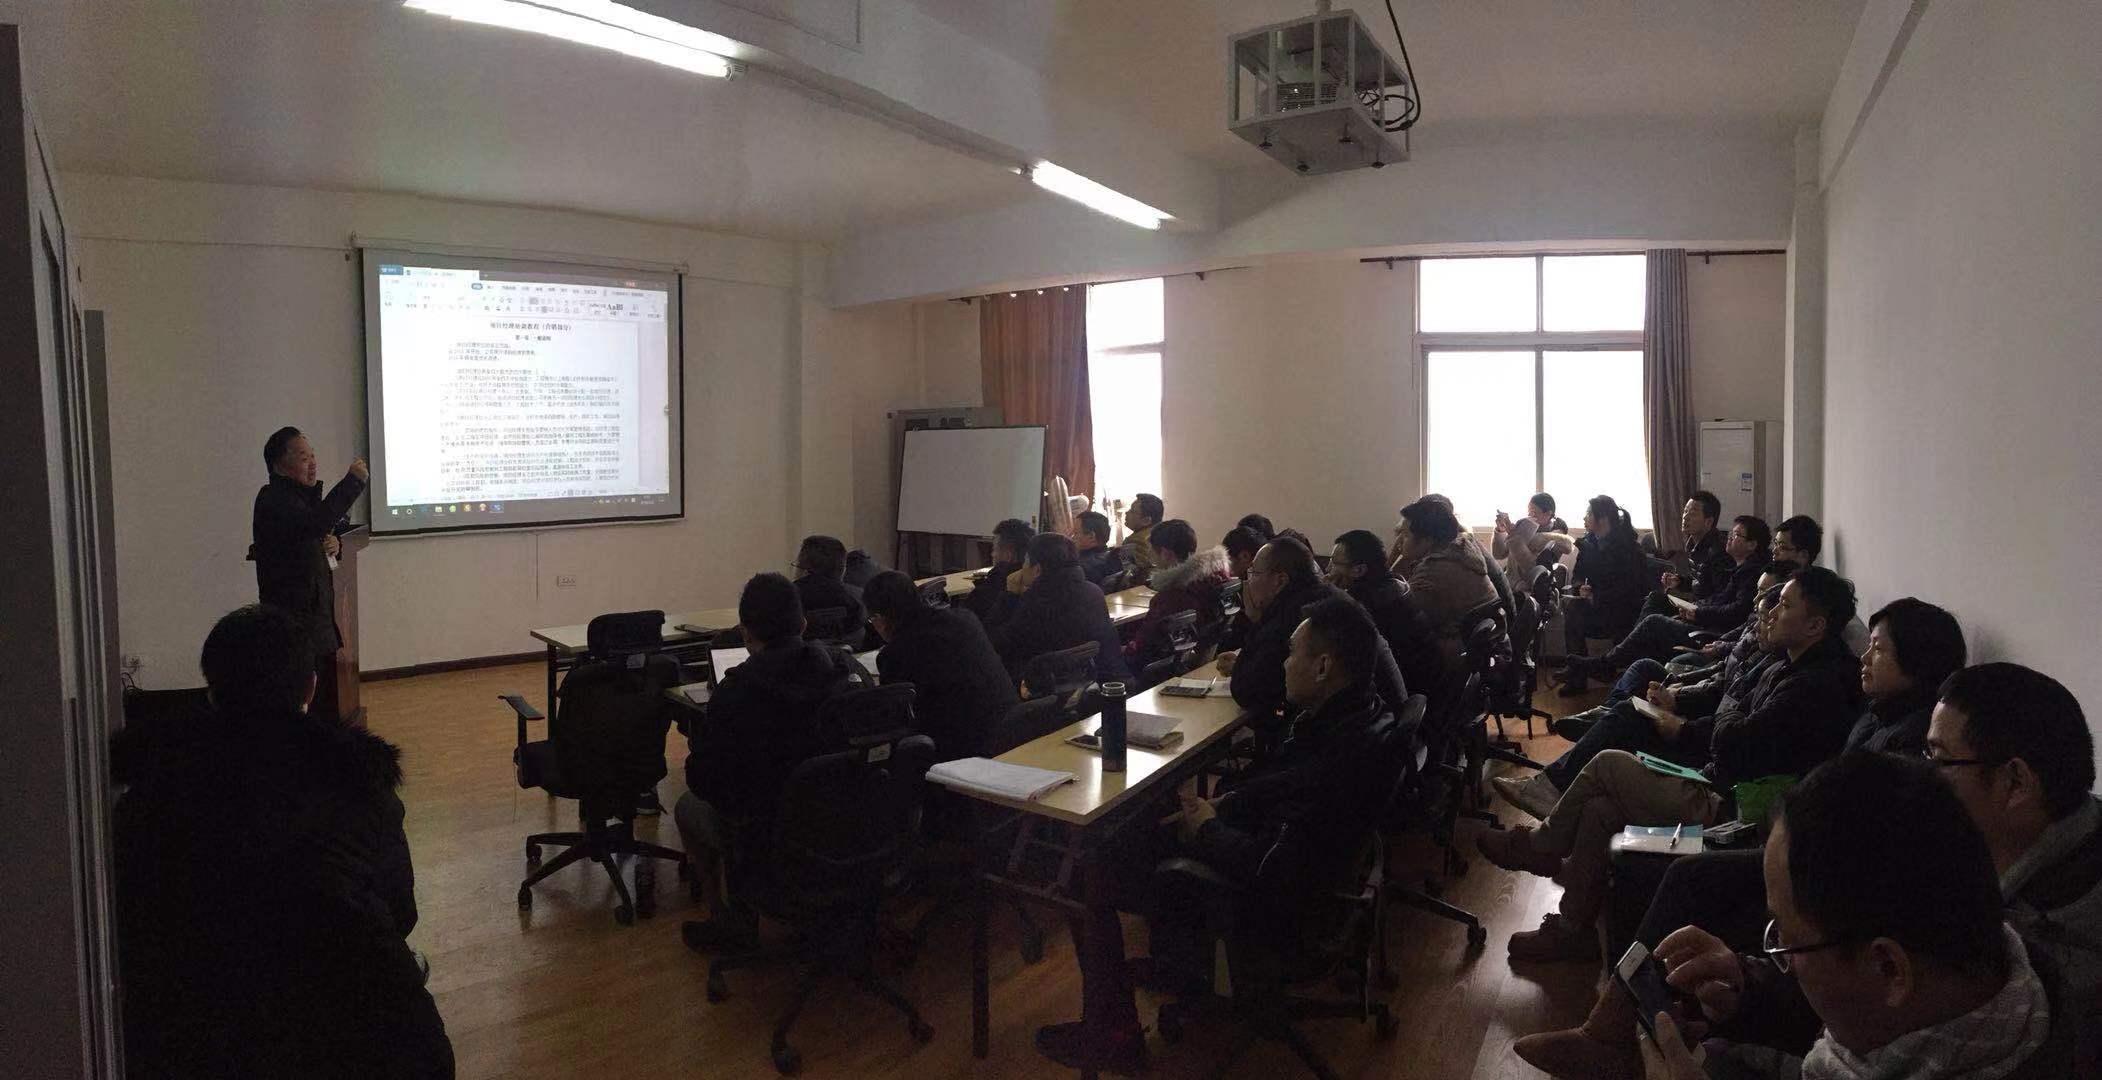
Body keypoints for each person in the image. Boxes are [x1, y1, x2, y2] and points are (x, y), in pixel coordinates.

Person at [1514, 658, 2098, 1080]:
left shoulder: (2068, 962)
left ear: (2015, 782)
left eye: (1939, 759)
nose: (1926, 773)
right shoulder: (1986, 873)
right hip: (1776, 821)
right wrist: (1749, 992)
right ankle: (1582, 949)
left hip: (1745, 809)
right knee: (1612, 821)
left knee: (1643, 814)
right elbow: (1885, 1011)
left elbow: (1883, 1003)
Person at [1034, 597, 1400, 1073]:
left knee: (1090, 869)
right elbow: (1289, 785)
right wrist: (1225, 804)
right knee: (1144, 822)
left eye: (1292, 653)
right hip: (1318, 882)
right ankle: (1180, 968)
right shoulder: (1361, 718)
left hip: (1279, 903)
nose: (1284, 663)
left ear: (1323, 667)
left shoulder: (1337, 757)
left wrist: (1207, 827)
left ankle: (1113, 1035)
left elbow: (1270, 867)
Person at [114, 605, 452, 1079]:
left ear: (212, 690)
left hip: (196, 1027)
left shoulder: (153, 787)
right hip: (352, 1027)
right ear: (310, 688)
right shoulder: (358, 783)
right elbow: (401, 912)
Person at [1477, 567, 1863, 961]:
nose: (1772, 612)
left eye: (1784, 605)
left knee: (1608, 764)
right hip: (1716, 778)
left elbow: (1735, 742)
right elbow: (1732, 721)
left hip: (1737, 810)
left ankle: (1542, 844)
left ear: (1815, 625)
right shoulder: (1785, 665)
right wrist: (1721, 709)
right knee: (1598, 809)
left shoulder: (1814, 686)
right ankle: (1572, 929)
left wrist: (1724, 710)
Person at [1637, 753, 2077, 1080]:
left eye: (1786, 938)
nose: (1783, 958)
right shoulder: (2000, 983)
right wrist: (1747, 991)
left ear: (1889, 967)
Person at [678, 574, 855, 952]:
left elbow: (705, 783)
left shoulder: (735, 693)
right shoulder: (843, 672)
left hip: (768, 841)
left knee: (687, 808)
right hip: (845, 828)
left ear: (745, 634)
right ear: (803, 624)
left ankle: (731, 923)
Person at [1220, 537, 1407, 748]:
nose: (1247, 582)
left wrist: (1256, 621)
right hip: (1380, 725)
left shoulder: (1303, 614)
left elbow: (1248, 691)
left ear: (1280, 580)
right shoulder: (1325, 595)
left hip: (1353, 743)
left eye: (1254, 573)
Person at [1560, 515, 1772, 684]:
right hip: (1705, 618)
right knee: (1656, 600)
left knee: (1653, 622)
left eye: (1736, 535)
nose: (1730, 538)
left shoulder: (1745, 569)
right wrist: (1691, 597)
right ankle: (1617, 662)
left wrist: (1698, 611)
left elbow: (1736, 611)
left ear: (1752, 544)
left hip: (1713, 632)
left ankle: (1609, 662)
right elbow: (1717, 596)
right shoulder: (1737, 566)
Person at [249, 425, 366, 724]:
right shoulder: (273, 499)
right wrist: (352, 482)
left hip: (316, 624)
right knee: (298, 706)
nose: (312, 463)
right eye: (303, 457)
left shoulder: (302, 500)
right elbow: (313, 524)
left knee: (320, 705)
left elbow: (315, 531)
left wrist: (336, 543)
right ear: (279, 464)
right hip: (293, 626)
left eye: (313, 456)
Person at [862, 571, 1017, 760]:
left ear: (880, 619)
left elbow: (897, 718)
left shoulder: (895, 654)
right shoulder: (965, 619)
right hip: (1011, 731)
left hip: (963, 753)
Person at [1328, 528, 1447, 713]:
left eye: (1334, 562)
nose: (1328, 568)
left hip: (1407, 701)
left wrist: (1329, 595)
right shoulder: (1396, 585)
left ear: (1359, 570)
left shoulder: (1365, 607)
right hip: (1430, 689)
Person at [987, 532, 1130, 685]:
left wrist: (1009, 596)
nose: (1022, 568)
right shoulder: (1094, 592)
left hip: (1040, 685)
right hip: (1092, 682)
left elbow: (997, 643)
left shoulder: (1036, 600)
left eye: (1026, 561)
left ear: (1037, 570)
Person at [1554, 494, 1650, 693]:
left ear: (1603, 519)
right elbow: (1578, 574)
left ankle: (1592, 669)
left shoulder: (1629, 548)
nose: (1584, 518)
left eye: (1589, 514)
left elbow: (1631, 588)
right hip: (1596, 607)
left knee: (1582, 612)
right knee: (1573, 607)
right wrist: (1580, 588)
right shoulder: (1589, 542)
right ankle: (1577, 674)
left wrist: (1597, 597)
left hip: (1622, 612)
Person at [1120, 519, 1230, 673]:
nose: (1151, 559)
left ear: (1166, 554)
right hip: (1196, 658)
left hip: (1157, 670)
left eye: (1152, 553)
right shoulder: (1214, 580)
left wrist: (1121, 650)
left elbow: (1141, 647)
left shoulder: (1172, 596)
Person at [1389, 496, 1499, 639]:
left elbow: (1401, 615)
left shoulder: (1435, 570)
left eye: (1405, 535)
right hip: (1485, 642)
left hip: (1457, 646)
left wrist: (1395, 556)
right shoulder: (1460, 549)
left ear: (1427, 540)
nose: (1399, 540)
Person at [961, 518, 1034, 627]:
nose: (992, 555)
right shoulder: (1035, 584)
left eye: (994, 549)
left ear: (1008, 556)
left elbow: (963, 621)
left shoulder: (993, 585)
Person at [790, 534, 865, 637]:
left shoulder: (787, 598)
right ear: (842, 570)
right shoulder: (861, 599)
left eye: (796, 565)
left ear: (804, 570)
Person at [1492, 492, 1572, 586]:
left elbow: (1533, 569)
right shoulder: (1525, 526)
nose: (1529, 515)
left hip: (1531, 587)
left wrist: (1514, 537)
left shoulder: (1555, 539)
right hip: (1510, 582)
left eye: (1533, 513)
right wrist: (1500, 531)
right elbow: (1499, 555)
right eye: (1529, 511)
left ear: (1548, 514)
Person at [1117, 493, 1164, 586]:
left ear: (1146, 520)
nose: (1126, 513)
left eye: (1132, 511)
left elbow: (1132, 575)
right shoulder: (1162, 532)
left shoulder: (1136, 541)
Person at [1073, 510, 1123, 587]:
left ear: (1091, 537)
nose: (1072, 538)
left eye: (1076, 533)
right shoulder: (1116, 558)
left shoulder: (1081, 569)